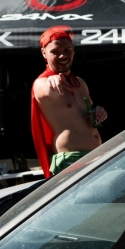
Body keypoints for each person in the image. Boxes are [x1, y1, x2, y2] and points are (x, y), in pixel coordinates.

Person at [31, 26, 108, 178]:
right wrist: (51, 80)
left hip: (97, 155)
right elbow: (47, 90)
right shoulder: (41, 83)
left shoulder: (80, 83)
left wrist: (99, 112)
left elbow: (87, 115)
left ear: (73, 50)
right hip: (72, 160)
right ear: (44, 53)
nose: (62, 56)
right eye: (55, 52)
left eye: (67, 51)